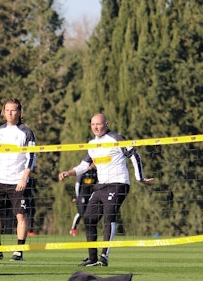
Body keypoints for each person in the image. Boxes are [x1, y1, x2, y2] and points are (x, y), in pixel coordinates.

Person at [58, 113, 154, 267]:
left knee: (109, 216)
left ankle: (104, 256)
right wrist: (69, 172)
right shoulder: (92, 144)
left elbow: (134, 154)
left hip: (118, 184)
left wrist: (139, 177)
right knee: (89, 218)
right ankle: (92, 258)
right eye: (93, 124)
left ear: (106, 124)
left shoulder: (116, 138)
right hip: (101, 186)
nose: (95, 127)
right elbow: (84, 165)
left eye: (99, 124)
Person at [0, 98, 36, 261]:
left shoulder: (26, 132)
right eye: (7, 110)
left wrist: (24, 178)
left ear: (20, 112)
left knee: (20, 215)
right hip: (0, 180)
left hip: (17, 181)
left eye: (13, 110)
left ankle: (19, 251)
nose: (10, 113)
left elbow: (32, 157)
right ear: (3, 112)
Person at [69, 165, 97, 236]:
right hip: (82, 195)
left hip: (90, 196)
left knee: (89, 213)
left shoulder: (95, 172)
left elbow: (96, 184)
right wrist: (77, 196)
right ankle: (73, 229)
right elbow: (77, 184)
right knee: (81, 212)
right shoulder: (83, 172)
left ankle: (89, 230)